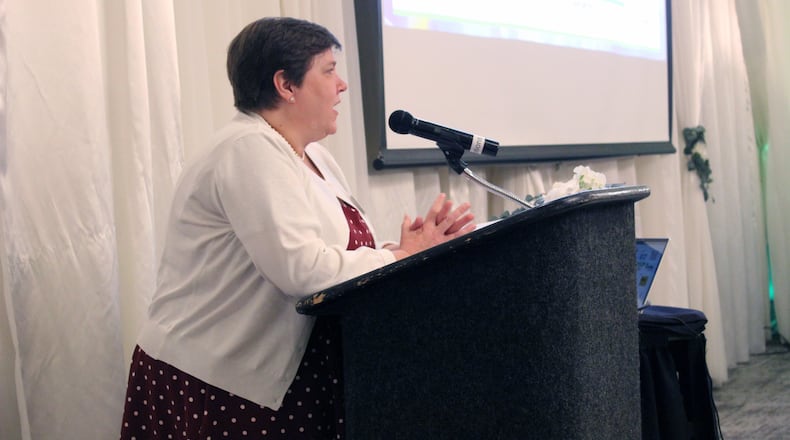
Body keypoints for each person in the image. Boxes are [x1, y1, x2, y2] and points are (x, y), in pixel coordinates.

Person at [119, 16, 475, 440]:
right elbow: (302, 271)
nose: (342, 85)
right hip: (216, 377)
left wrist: (399, 248)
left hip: (282, 372)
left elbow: (331, 251)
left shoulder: (312, 156)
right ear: (286, 86)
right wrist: (397, 257)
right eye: (328, 71)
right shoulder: (248, 150)